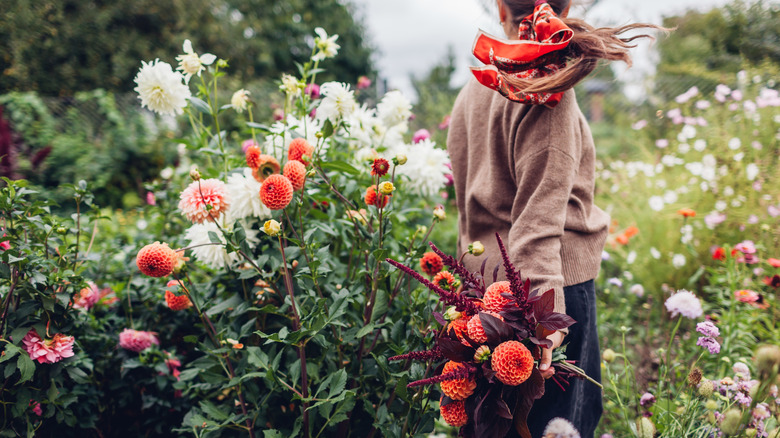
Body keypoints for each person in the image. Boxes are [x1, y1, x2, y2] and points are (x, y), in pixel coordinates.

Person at [446, 1, 661, 436]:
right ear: (568, 5)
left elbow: (469, 208)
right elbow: (538, 225)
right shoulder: (546, 86)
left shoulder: (476, 87)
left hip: (483, 296)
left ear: (500, 6)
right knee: (562, 427)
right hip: (546, 295)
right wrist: (544, 326)